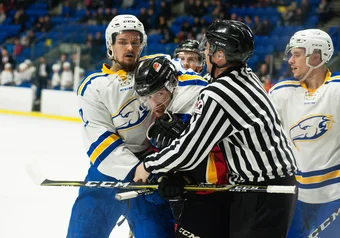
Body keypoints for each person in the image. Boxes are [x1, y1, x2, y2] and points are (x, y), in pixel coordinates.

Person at [134, 20, 298, 238]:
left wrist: (149, 165)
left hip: (263, 190)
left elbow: (190, 151)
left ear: (220, 55)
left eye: (209, 47)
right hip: (266, 186)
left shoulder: (219, 93)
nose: (204, 50)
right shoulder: (245, 76)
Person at [66, 14, 175, 238]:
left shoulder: (155, 73)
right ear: (110, 45)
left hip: (150, 166)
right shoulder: (95, 86)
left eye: (135, 42)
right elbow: (101, 142)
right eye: (123, 41)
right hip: (109, 172)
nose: (130, 47)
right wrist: (141, 173)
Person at [134, 55, 229, 238]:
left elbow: (198, 150)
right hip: (197, 195)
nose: (154, 103)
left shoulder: (193, 93)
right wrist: (171, 176)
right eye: (148, 97)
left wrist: (175, 174)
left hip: (216, 194)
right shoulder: (167, 99)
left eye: (159, 94)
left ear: (171, 84)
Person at [269, 29, 340, 238]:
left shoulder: (337, 90)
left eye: (296, 54)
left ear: (315, 56)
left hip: (334, 196)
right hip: (294, 198)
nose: (290, 60)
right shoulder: (280, 92)